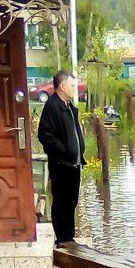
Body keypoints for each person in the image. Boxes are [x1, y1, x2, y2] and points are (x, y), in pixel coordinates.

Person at [37, 71, 86, 244]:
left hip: (74, 164)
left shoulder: (69, 106)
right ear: (63, 86)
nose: (74, 88)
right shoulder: (52, 106)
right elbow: (45, 135)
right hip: (61, 164)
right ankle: (62, 238)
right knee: (61, 201)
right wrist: (64, 150)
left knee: (72, 201)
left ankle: (69, 236)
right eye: (72, 85)